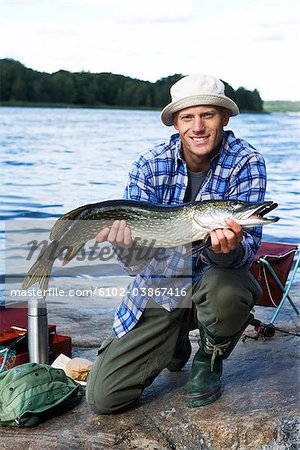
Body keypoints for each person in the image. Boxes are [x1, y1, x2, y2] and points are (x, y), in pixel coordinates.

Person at [86, 73, 266, 413]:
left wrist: (223, 250)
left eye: (208, 115)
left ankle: (209, 359)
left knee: (229, 287)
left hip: (210, 284)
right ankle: (174, 341)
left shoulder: (247, 162)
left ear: (224, 118)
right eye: (187, 117)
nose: (197, 126)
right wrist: (125, 247)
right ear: (176, 124)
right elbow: (135, 266)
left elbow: (246, 253)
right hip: (161, 287)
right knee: (103, 398)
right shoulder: (149, 164)